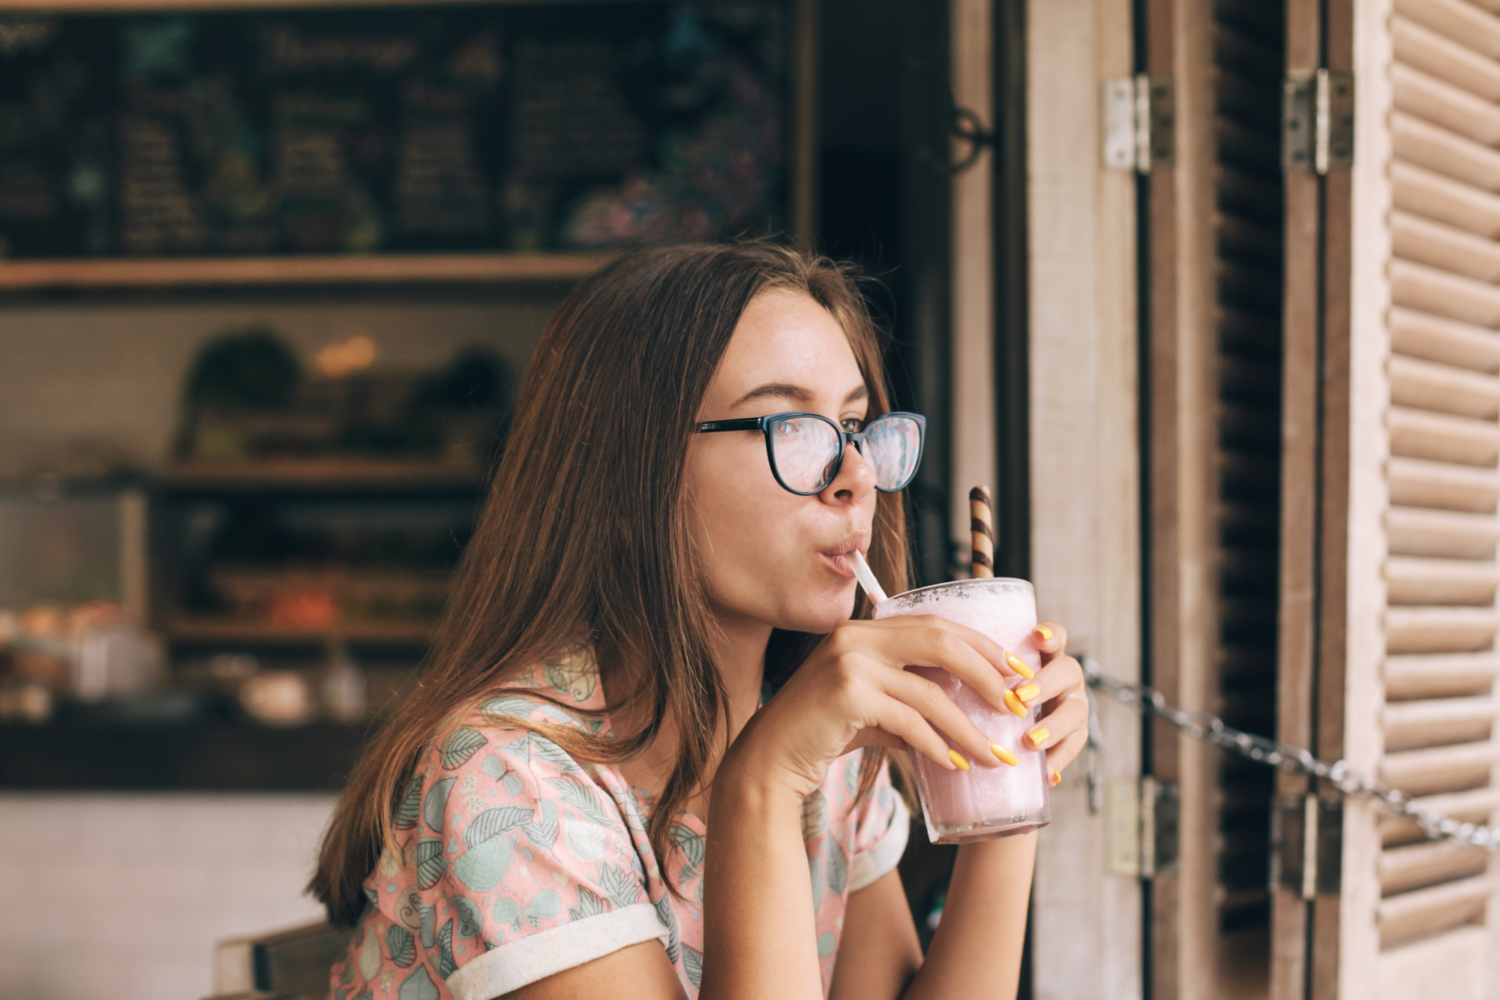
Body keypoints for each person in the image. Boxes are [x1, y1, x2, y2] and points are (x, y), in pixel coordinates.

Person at [312, 243, 1089, 1000]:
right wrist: (761, 780)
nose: (856, 476)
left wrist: (1006, 781)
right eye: (790, 427)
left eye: (856, 427)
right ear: (628, 478)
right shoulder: (506, 785)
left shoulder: (828, 746)